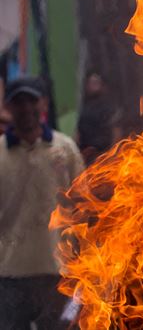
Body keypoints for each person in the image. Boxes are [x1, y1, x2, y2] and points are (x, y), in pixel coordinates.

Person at [0, 76, 85, 328]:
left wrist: (86, 259)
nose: (26, 108)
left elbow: (83, 205)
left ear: (44, 104)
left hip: (57, 270)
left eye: (32, 100)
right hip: (9, 271)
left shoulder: (65, 149)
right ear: (8, 108)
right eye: (18, 102)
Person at [76, 72, 122, 165]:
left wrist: (113, 154)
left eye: (96, 82)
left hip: (103, 154)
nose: (93, 85)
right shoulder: (85, 107)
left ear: (102, 85)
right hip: (87, 156)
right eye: (91, 83)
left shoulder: (109, 107)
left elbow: (116, 131)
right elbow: (78, 131)